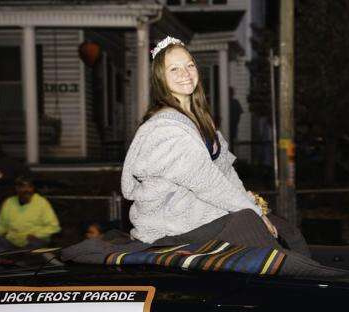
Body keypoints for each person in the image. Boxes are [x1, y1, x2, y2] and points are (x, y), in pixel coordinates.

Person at [121, 36, 286, 251]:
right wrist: (251, 213)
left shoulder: (201, 118)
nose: (185, 74)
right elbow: (208, 183)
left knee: (284, 229)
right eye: (174, 69)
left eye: (189, 65)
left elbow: (225, 172)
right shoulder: (165, 127)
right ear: (160, 78)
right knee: (251, 228)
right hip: (169, 225)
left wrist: (253, 207)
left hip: (197, 213)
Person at [0, 177, 60, 251]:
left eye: (30, 187)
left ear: (33, 188)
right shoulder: (9, 202)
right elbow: (1, 224)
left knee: (33, 247)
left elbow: (54, 226)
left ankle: (19, 259)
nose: (27, 190)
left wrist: (36, 235)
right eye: (23, 187)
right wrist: (3, 233)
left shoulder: (42, 202)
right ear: (17, 188)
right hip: (12, 240)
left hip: (34, 241)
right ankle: (10, 260)